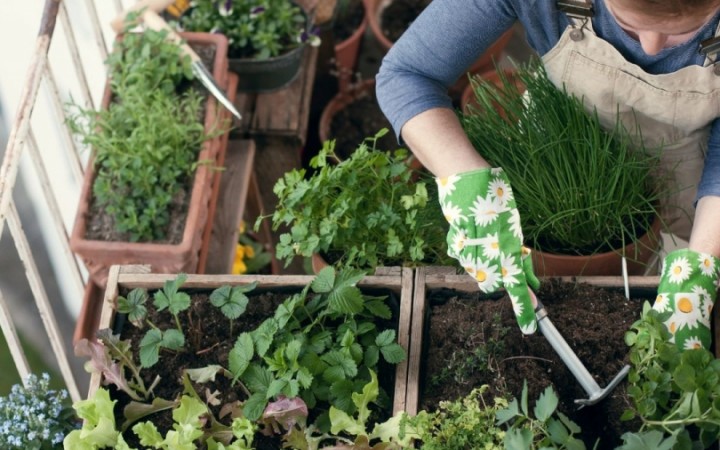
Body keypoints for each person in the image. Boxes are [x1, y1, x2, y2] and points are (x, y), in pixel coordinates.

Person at [376, 0, 720, 351]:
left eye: (684, 32)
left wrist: (701, 261)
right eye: (629, 25)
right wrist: (464, 176)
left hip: (689, 168)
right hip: (558, 144)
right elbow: (407, 74)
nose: (649, 46)